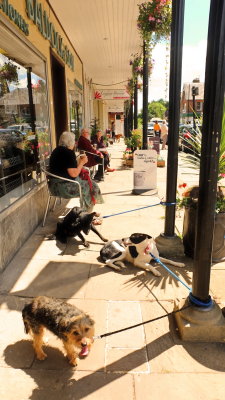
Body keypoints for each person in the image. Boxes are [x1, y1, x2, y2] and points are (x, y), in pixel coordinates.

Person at [49, 131, 103, 212]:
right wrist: (82, 162)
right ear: (70, 142)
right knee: (92, 187)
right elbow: (74, 174)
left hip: (54, 186)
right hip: (64, 188)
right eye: (74, 140)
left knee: (90, 184)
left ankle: (87, 213)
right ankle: (86, 215)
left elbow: (65, 168)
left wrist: (78, 162)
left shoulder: (56, 150)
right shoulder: (68, 153)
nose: (75, 143)